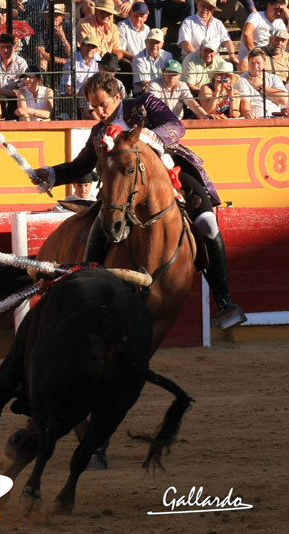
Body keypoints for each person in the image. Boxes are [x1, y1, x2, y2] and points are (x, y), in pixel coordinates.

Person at [30, 71, 247, 329]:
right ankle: (92, 291)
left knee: (208, 224)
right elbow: (82, 165)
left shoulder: (144, 104)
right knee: (101, 225)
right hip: (125, 191)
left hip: (170, 173)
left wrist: (140, 135)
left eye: (103, 104)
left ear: (117, 96)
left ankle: (224, 301)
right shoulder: (99, 132)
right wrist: (51, 173)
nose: (99, 111)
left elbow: (176, 127)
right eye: (94, 107)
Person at [178, 0, 239, 65]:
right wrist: (199, 59)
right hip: (192, 61)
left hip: (214, 61)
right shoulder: (188, 22)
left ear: (213, 10)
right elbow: (186, 44)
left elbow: (227, 41)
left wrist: (232, 55)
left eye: (209, 7)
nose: (205, 9)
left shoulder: (218, 23)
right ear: (198, 5)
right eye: (203, 6)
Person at [234, 47, 288, 118]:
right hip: (256, 118)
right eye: (252, 64)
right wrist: (248, 113)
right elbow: (245, 102)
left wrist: (261, 87)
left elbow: (283, 100)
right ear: (248, 64)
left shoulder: (273, 78)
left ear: (264, 64)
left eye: (258, 63)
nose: (255, 67)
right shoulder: (242, 80)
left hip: (275, 117)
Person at [0, 32, 28, 119]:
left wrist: (16, 93)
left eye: (8, 47)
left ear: (14, 47)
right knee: (1, 99)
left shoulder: (21, 63)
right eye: (3, 47)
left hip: (15, 98)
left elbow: (24, 87)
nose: (5, 50)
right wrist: (12, 93)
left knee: (19, 100)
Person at [131, 28, 173, 95]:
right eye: (151, 42)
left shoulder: (168, 56)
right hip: (143, 94)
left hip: (163, 91)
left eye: (157, 42)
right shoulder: (138, 59)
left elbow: (170, 79)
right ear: (146, 42)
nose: (154, 45)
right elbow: (146, 84)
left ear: (162, 44)